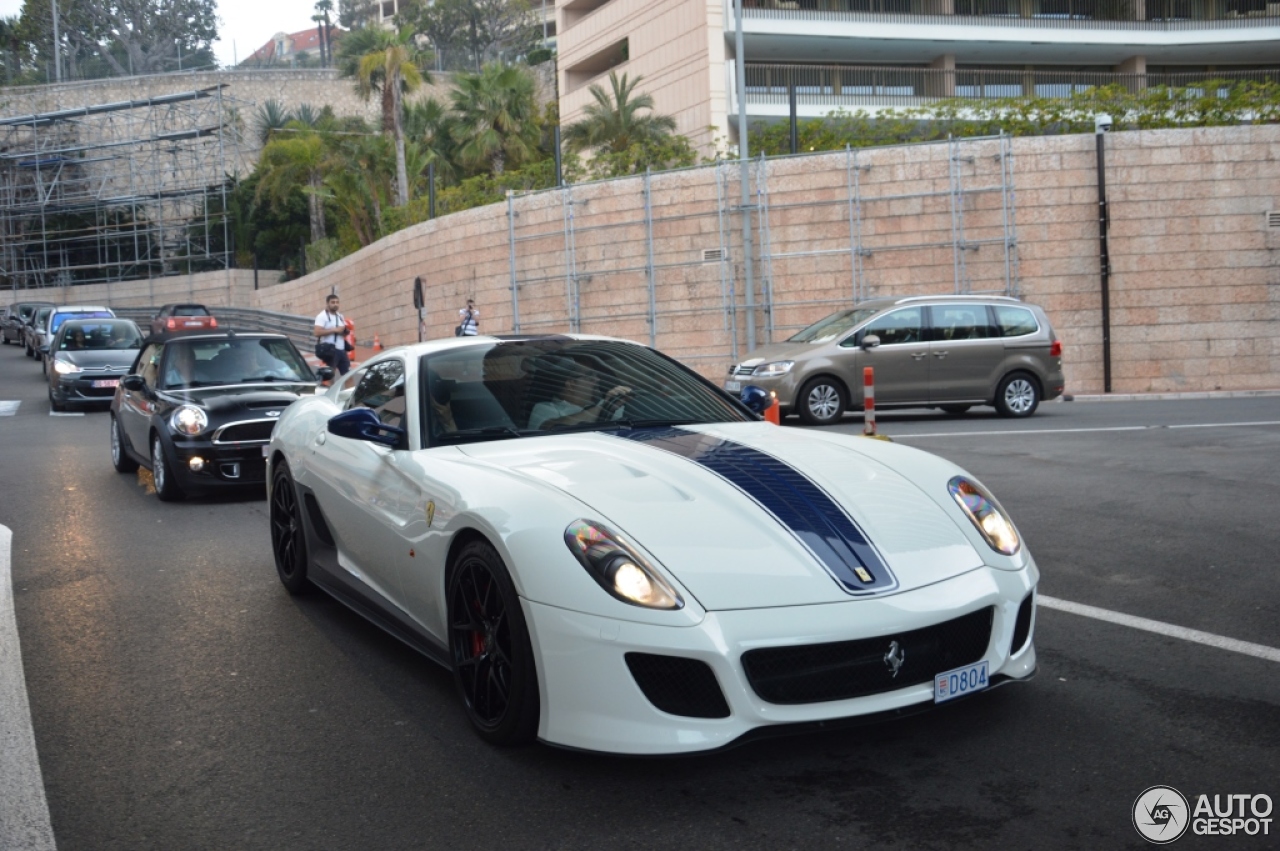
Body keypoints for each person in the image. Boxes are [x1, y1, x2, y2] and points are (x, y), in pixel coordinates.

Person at [527, 356, 631, 430]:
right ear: (571, 384)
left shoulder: (610, 403)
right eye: (590, 376)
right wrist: (603, 407)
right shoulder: (546, 408)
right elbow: (549, 428)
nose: (597, 380)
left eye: (596, 375)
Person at [313, 293, 350, 375]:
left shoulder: (340, 316)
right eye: (333, 302)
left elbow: (340, 331)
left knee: (347, 375)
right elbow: (316, 332)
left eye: (337, 302)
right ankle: (330, 388)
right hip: (330, 350)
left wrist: (344, 332)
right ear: (327, 303)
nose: (335, 304)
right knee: (330, 375)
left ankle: (349, 388)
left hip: (342, 349)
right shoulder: (322, 316)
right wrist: (334, 330)